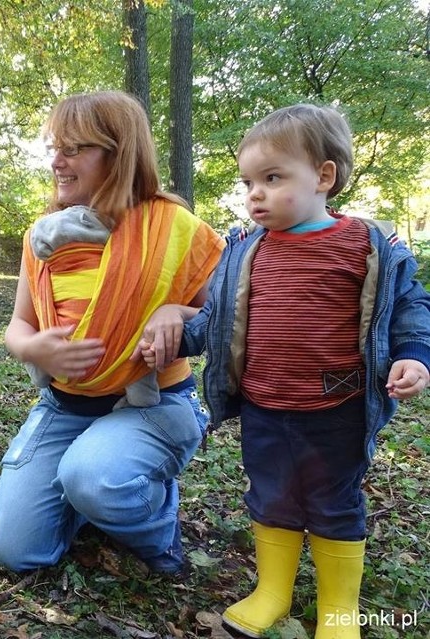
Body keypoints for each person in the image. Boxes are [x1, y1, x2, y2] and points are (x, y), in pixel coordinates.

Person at [141, 104, 430, 638]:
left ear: (324, 176)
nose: (255, 193)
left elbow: (411, 308)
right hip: (265, 405)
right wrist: (175, 335)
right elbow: (217, 320)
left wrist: (414, 355)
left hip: (336, 407)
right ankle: (272, 591)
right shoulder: (244, 251)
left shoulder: (368, 247)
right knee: (270, 494)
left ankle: (340, 610)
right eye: (249, 181)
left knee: (334, 500)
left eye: (273, 178)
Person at [0, 91, 225, 574]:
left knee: (94, 477)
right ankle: (87, 492)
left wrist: (175, 310)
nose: (57, 161)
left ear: (119, 153)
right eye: (55, 148)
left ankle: (153, 521)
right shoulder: (44, 236)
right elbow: (19, 325)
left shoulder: (174, 227)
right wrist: (33, 349)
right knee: (11, 550)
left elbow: (227, 319)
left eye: (74, 149)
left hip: (155, 403)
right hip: (65, 405)